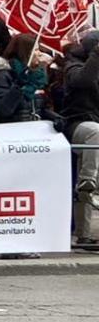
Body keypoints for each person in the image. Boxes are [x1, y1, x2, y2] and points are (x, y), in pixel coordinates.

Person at [61, 31, 99, 244]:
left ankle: (84, 235)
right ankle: (88, 180)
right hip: (78, 125)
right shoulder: (72, 66)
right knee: (96, 132)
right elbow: (83, 81)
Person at [0, 33, 50, 124]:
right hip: (13, 131)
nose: (40, 53)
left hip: (35, 131)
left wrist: (53, 117)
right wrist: (18, 86)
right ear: (25, 52)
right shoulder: (3, 75)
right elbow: (2, 110)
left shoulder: (37, 76)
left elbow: (40, 107)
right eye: (36, 50)